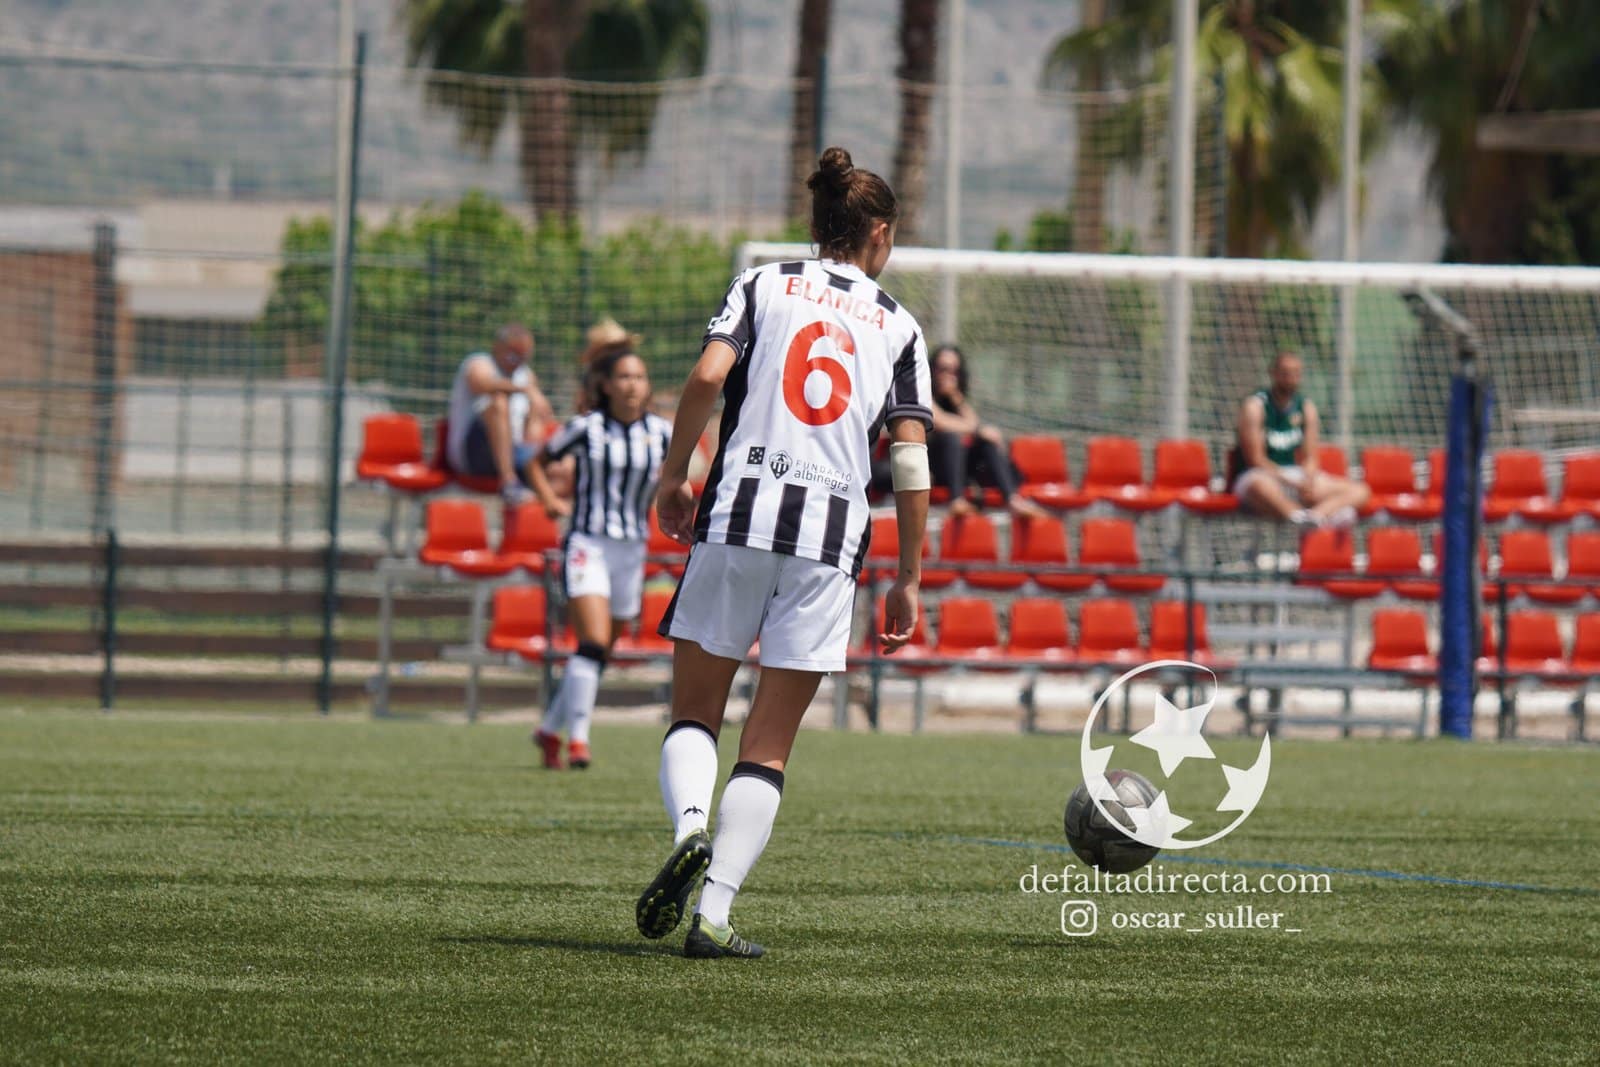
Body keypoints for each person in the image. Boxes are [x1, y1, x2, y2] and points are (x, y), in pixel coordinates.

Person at [634, 146, 933, 960]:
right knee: (768, 744)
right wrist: (908, 576)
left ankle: (688, 829)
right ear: (879, 233)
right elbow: (910, 461)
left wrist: (674, 474)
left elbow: (707, 375)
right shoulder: (901, 326)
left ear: (817, 222)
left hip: (738, 513)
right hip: (829, 542)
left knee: (695, 712)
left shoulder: (762, 284)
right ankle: (714, 914)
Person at [525, 349, 671, 771]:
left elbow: (681, 474)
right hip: (588, 543)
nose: (632, 385)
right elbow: (536, 462)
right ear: (606, 385)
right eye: (623, 376)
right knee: (590, 642)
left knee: (600, 651)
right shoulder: (585, 428)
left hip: (632, 549)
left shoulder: (661, 433)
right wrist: (549, 498)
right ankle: (579, 741)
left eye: (639, 376)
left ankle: (549, 730)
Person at [1228, 350, 1370, 528]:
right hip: (1260, 476)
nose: (1291, 378)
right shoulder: (1255, 406)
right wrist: (1292, 482)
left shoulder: (1306, 407)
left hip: (1294, 476)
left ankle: (1316, 517)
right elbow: (1256, 460)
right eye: (1285, 373)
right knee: (1260, 487)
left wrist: (1307, 480)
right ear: (1273, 373)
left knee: (1360, 491)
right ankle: (1298, 518)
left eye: (1296, 373)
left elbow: (1310, 457)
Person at [926, 343, 1048, 520]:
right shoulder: (922, 395)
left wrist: (955, 397)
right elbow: (940, 422)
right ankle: (956, 500)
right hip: (933, 467)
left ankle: (1013, 500)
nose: (949, 375)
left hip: (960, 470)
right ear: (932, 369)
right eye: (943, 369)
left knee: (987, 443)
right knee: (951, 438)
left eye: (954, 371)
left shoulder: (955, 400)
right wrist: (978, 430)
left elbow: (973, 422)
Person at [444, 324, 555, 506]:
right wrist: (525, 389)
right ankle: (509, 482)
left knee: (562, 463)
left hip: (516, 452)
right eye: (513, 355)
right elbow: (481, 383)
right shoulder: (479, 363)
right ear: (497, 347)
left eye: (524, 356)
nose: (518, 361)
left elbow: (533, 431)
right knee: (498, 402)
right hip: (474, 455)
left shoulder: (526, 375)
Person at [574, 317, 643, 414]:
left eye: (620, 346)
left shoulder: (634, 369)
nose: (617, 352)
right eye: (612, 348)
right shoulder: (592, 376)